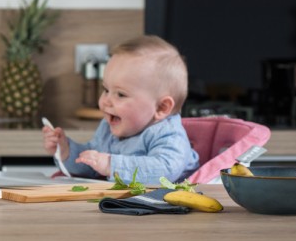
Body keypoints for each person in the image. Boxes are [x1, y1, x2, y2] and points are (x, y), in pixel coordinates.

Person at [42, 35, 199, 185]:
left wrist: (111, 164)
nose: (106, 101)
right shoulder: (109, 126)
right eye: (106, 89)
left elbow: (165, 169)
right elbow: (92, 163)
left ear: (161, 107)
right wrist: (66, 150)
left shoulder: (168, 133)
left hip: (171, 207)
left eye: (121, 94)